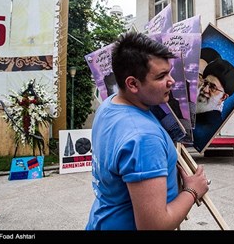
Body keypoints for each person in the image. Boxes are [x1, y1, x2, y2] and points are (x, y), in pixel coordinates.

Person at [86, 32, 209, 230]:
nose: (172, 81)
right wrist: (192, 190)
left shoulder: (109, 105)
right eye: (161, 76)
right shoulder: (143, 139)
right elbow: (154, 226)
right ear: (133, 84)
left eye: (169, 72)